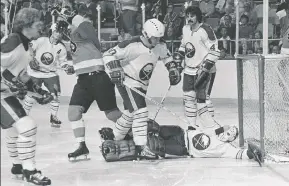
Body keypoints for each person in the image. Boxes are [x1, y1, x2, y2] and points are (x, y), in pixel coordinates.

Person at [102, 18, 181, 158]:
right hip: (128, 82)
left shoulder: (160, 45)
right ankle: (141, 147)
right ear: (145, 34)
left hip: (142, 85)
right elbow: (108, 54)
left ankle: (115, 137)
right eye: (154, 38)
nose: (157, 41)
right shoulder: (132, 45)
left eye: (159, 38)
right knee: (141, 111)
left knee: (130, 113)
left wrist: (173, 70)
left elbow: (167, 58)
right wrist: (115, 68)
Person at [55, 9, 124, 162]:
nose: (64, 28)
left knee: (112, 114)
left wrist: (70, 15)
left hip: (99, 77)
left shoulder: (86, 30)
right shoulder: (74, 39)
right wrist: (74, 68)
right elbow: (83, 56)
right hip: (83, 80)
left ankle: (133, 132)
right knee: (73, 113)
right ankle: (81, 146)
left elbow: (82, 23)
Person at [1, 8, 52, 185]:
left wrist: (37, 91)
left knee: (14, 129)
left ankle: (17, 165)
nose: (42, 26)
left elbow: (21, 76)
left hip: (4, 93)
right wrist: (8, 80)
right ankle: (29, 170)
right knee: (27, 127)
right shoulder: (13, 40)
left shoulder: (26, 45)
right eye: (38, 22)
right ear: (27, 25)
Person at [99, 120, 264, 166]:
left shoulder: (225, 148)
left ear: (231, 139)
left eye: (231, 134)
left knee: (154, 146)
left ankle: (121, 152)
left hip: (183, 148)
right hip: (180, 133)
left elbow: (242, 154)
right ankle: (118, 135)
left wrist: (253, 152)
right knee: (151, 126)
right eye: (229, 130)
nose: (228, 133)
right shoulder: (214, 131)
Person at [173, 6, 220, 129]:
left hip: (204, 70)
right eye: (187, 15)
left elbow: (215, 51)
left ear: (198, 16)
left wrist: (205, 67)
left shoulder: (206, 29)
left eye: (192, 15)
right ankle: (192, 126)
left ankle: (211, 127)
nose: (189, 18)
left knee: (203, 100)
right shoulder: (185, 29)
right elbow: (184, 45)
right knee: (188, 98)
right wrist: (179, 58)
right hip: (189, 69)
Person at [22, 23, 75, 127]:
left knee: (55, 95)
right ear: (52, 31)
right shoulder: (42, 40)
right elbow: (29, 47)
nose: (58, 34)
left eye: (60, 32)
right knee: (31, 95)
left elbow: (62, 62)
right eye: (57, 31)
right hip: (35, 73)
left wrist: (67, 67)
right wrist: (32, 59)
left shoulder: (61, 48)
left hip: (51, 74)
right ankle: (24, 117)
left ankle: (53, 117)